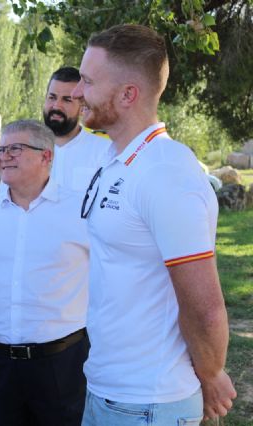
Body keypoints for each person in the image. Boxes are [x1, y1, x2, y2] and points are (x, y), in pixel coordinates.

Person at [71, 24, 236, 424]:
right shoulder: (118, 159)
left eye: (88, 81)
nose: (77, 92)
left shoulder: (166, 172)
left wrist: (211, 375)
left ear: (129, 94)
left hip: (148, 403)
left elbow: (206, 307)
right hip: (108, 390)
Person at [0, 120, 90, 425]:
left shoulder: (80, 211)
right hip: (0, 364)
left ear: (46, 156)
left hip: (63, 363)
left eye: (16, 148)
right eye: (1, 149)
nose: (3, 157)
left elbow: (108, 276)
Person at [42, 66, 112, 193]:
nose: (56, 106)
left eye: (67, 100)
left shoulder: (105, 151)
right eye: (52, 97)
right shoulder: (23, 148)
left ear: (82, 107)